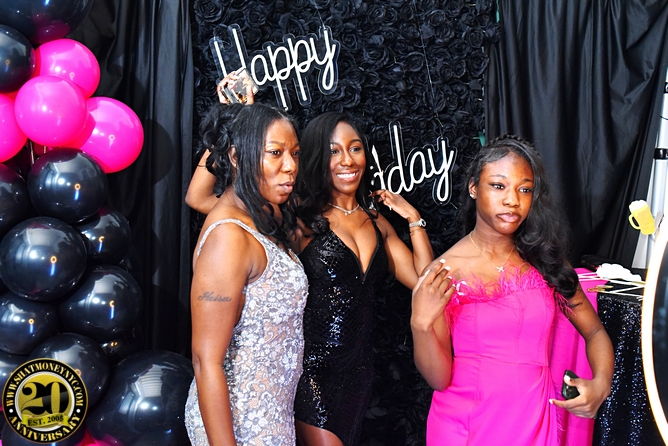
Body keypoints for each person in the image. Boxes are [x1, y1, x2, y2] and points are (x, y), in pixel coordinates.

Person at [410, 135, 614, 445]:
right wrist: (421, 325)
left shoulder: (546, 263)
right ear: (474, 188)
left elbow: (595, 332)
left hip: (534, 423)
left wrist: (601, 383)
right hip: (465, 428)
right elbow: (439, 379)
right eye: (498, 186)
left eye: (524, 189)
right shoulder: (444, 271)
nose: (512, 200)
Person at [291, 112, 434, 446]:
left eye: (354, 148)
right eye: (334, 151)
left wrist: (413, 218)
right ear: (318, 158)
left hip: (359, 373)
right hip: (312, 371)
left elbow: (424, 284)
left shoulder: (377, 222)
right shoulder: (303, 220)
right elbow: (201, 199)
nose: (347, 160)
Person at [183, 102, 308, 445]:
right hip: (240, 423)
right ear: (237, 157)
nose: (290, 166)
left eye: (295, 153)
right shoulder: (229, 238)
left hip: (271, 415)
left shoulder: (262, 217)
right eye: (275, 153)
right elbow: (205, 361)